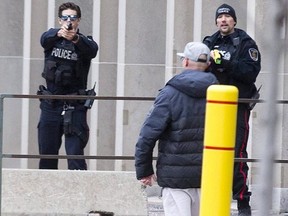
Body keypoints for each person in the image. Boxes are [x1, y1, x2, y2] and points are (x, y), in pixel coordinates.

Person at [135, 42, 218, 216]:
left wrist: (144, 170)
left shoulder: (170, 93)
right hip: (208, 176)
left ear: (185, 62)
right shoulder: (220, 93)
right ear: (208, 64)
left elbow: (147, 135)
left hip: (175, 177)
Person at [203, 4, 261, 216]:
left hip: (237, 106)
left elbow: (250, 72)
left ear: (234, 21)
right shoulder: (209, 42)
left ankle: (243, 201)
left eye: (228, 16)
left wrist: (226, 63)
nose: (224, 20)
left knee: (237, 153)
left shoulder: (245, 43)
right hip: (211, 106)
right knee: (208, 152)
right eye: (220, 17)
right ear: (216, 21)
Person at [37, 2, 98, 170]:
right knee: (47, 156)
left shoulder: (85, 42)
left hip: (75, 106)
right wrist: (60, 34)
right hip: (51, 105)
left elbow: (92, 50)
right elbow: (44, 39)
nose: (68, 21)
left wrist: (75, 38)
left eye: (72, 18)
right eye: (65, 18)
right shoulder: (51, 38)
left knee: (75, 156)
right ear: (59, 20)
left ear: (78, 21)